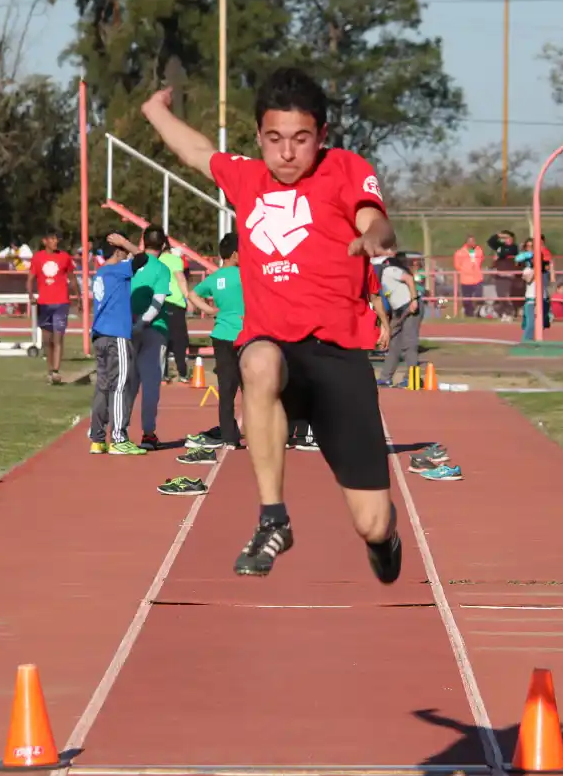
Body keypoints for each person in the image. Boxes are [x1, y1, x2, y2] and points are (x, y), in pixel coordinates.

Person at [140, 66, 402, 581]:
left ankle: (384, 536)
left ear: (321, 137)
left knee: (370, 523)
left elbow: (373, 215)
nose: (286, 153)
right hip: (277, 350)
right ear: (258, 136)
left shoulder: (344, 169)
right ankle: (273, 518)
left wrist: (376, 236)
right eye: (275, 139)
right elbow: (195, 152)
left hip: (337, 359)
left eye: (301, 140)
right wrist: (155, 112)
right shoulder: (246, 178)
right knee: (256, 360)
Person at [185, 232, 245, 453]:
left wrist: (210, 310)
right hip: (244, 336)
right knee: (251, 389)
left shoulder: (215, 278)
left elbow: (192, 294)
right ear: (235, 254)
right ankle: (259, 433)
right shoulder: (246, 275)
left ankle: (230, 438)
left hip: (221, 335)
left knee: (227, 389)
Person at [87, 232, 147, 456]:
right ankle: (119, 437)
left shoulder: (100, 273)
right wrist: (125, 242)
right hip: (116, 335)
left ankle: (97, 438)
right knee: (121, 385)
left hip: (100, 335)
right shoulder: (119, 270)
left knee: (103, 386)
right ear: (117, 250)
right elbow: (142, 258)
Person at [130, 227, 172, 449]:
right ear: (164, 246)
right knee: (150, 384)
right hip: (154, 329)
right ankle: (148, 433)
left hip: (126, 328)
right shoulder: (162, 269)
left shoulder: (130, 264)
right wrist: (143, 323)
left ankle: (119, 432)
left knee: (128, 383)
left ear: (142, 242)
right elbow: (158, 301)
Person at [27, 232, 74, 383]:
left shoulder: (65, 257)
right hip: (44, 303)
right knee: (48, 340)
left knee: (58, 337)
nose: (55, 242)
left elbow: (72, 278)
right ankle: (49, 370)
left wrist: (78, 298)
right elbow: (30, 279)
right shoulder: (37, 258)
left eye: (56, 239)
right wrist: (31, 295)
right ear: (44, 241)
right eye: (52, 239)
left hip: (61, 302)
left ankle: (56, 371)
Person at [376, 252, 421, 387]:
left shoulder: (389, 271)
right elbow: (383, 306)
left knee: (409, 342)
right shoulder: (376, 284)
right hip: (398, 310)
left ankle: (412, 379)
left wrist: (414, 300)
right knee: (394, 344)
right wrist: (385, 329)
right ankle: (386, 378)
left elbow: (409, 279)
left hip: (410, 306)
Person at [156, 237, 192, 381]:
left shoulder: (155, 262)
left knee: (162, 338)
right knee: (179, 340)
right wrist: (188, 298)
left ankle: (163, 374)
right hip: (175, 302)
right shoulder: (174, 260)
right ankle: (182, 373)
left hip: (159, 302)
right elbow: (181, 278)